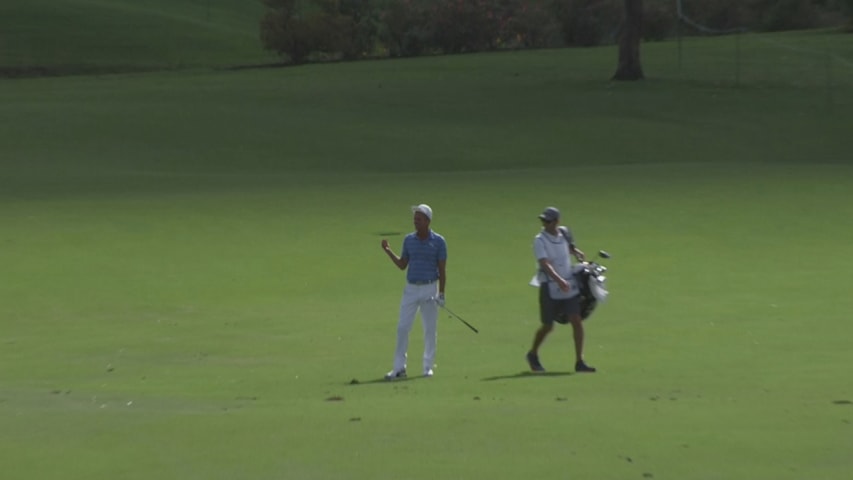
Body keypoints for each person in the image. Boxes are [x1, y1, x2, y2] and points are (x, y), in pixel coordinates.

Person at [380, 204, 447, 380]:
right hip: (411, 289)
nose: (415, 221)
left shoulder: (439, 242)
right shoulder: (409, 240)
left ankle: (427, 367)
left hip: (429, 288)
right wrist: (388, 252)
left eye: (419, 218)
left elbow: (442, 269)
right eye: (414, 219)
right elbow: (403, 264)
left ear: (427, 221)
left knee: (430, 329)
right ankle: (399, 368)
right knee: (402, 328)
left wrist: (441, 294)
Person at [526, 206, 596, 373]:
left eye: (548, 221)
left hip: (568, 285)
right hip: (550, 287)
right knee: (548, 326)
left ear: (557, 222)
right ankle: (533, 354)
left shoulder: (563, 233)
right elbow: (545, 263)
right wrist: (558, 280)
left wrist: (577, 253)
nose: (545, 224)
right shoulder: (540, 240)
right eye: (543, 220)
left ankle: (580, 361)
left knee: (576, 321)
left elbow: (569, 247)